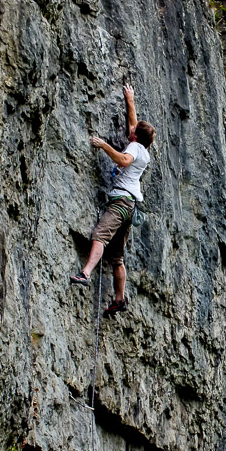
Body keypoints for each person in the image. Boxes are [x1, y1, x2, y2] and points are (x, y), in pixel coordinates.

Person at [70, 84, 155, 316]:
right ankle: (119, 299)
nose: (131, 128)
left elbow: (125, 160)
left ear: (136, 136)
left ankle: (85, 273)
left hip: (120, 203)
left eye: (134, 130)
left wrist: (104, 145)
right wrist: (130, 99)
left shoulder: (135, 148)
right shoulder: (144, 149)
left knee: (100, 235)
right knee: (117, 256)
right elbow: (133, 124)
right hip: (131, 206)